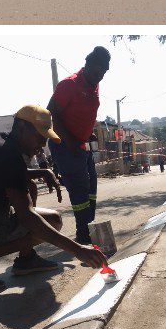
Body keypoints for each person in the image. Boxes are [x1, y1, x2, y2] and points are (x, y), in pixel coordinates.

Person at [0, 106, 106, 291]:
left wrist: (41, 171)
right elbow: (27, 217)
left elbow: (4, 172)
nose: (42, 143)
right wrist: (79, 250)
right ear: (21, 128)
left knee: (30, 188)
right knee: (51, 222)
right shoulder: (9, 157)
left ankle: (26, 259)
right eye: (40, 136)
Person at [48, 47, 110, 247]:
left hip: (82, 144)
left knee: (91, 188)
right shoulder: (69, 84)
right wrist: (70, 141)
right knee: (80, 190)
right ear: (87, 65)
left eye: (103, 74)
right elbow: (52, 113)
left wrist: (87, 132)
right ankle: (83, 234)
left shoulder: (94, 84)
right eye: (96, 72)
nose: (98, 77)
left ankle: (89, 228)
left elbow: (82, 112)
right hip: (65, 146)